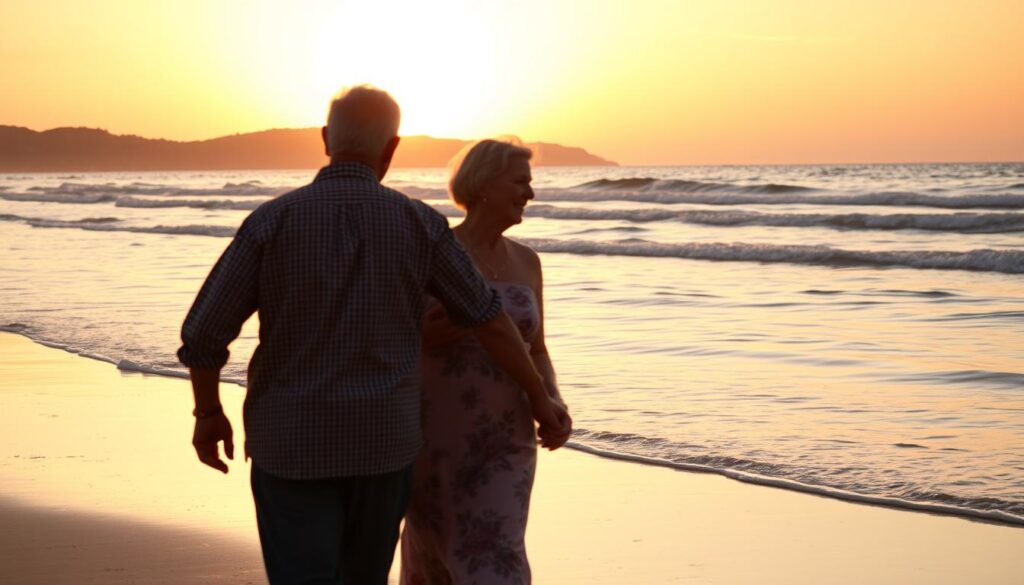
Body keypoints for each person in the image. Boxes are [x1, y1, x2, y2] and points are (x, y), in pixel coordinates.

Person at [176, 87, 571, 585]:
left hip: (290, 442)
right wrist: (540, 397)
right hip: (383, 444)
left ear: (326, 139)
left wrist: (208, 412)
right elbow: (489, 318)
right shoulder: (420, 224)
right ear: (392, 147)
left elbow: (204, 333)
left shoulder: (271, 222)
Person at [401, 139, 568, 585]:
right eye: (520, 182)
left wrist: (552, 398)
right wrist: (425, 336)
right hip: (435, 436)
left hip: (507, 438)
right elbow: (390, 337)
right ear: (482, 185)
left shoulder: (527, 261)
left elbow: (537, 348)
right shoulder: (434, 254)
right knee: (432, 561)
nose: (530, 193)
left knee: (496, 554)